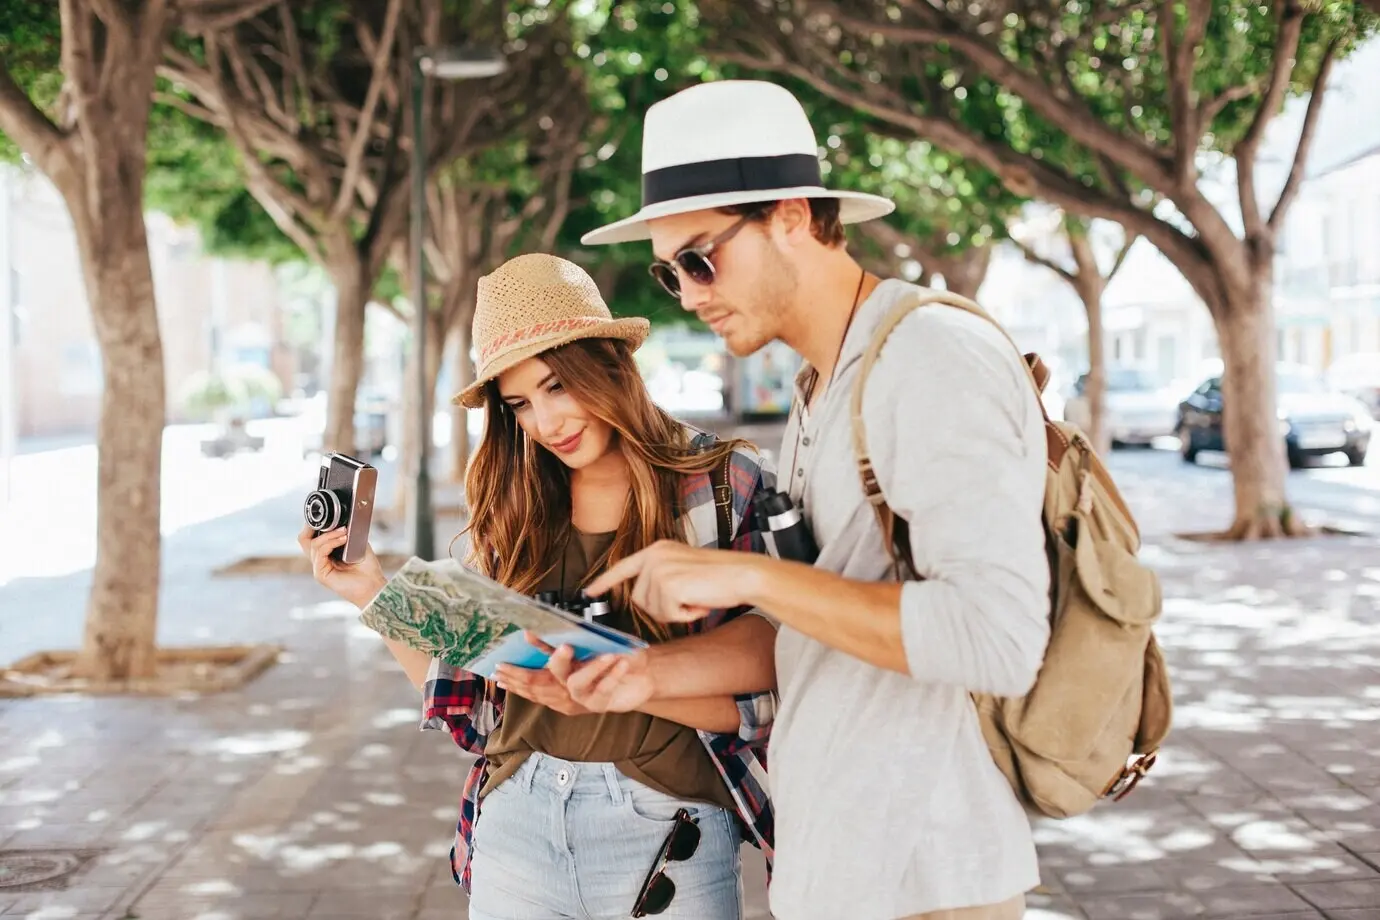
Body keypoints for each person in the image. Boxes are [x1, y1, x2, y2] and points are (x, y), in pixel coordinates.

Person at [561, 80, 1051, 920]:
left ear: (790, 216)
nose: (686, 293)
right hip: (842, 869)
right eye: (667, 270)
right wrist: (642, 675)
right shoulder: (823, 383)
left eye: (700, 258)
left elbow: (996, 640)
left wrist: (744, 579)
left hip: (927, 877)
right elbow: (820, 634)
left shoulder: (930, 357)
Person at [299, 252, 776, 920]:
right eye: (520, 403)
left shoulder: (724, 484)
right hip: (517, 822)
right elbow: (472, 705)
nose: (546, 423)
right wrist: (373, 592)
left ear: (609, 365)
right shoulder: (518, 506)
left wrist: (617, 685)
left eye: (557, 386)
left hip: (666, 830)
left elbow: (770, 695)